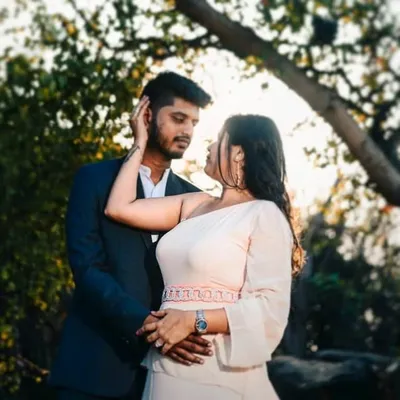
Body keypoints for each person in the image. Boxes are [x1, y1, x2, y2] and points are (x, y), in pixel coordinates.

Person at [104, 96, 306, 399]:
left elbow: (269, 308)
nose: (208, 147)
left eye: (218, 140)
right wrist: (139, 143)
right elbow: (118, 208)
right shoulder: (194, 203)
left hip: (215, 364)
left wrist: (192, 320)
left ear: (239, 153)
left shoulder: (264, 214)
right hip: (165, 359)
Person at [48, 72, 213, 400]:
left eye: (193, 122)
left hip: (166, 377)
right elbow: (87, 269)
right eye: (178, 118)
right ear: (146, 115)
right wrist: (149, 326)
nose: (187, 131)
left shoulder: (195, 199)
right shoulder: (94, 180)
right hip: (93, 369)